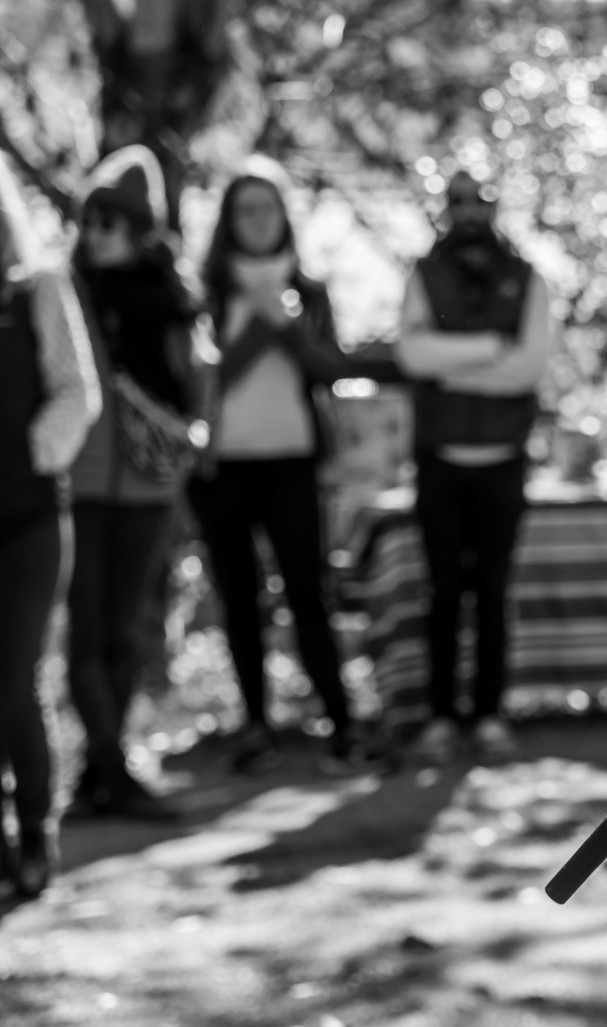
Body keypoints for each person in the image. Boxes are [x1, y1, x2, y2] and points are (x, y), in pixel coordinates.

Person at [188, 157, 390, 774]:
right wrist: (260, 328)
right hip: (224, 468)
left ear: (283, 215)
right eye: (244, 208)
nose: (256, 219)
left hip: (294, 462)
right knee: (239, 597)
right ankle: (256, 723)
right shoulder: (208, 291)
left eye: (267, 207)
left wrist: (292, 329)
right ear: (228, 219)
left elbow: (330, 369)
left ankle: (342, 721)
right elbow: (207, 377)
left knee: (308, 591)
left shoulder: (311, 289)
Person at [66, 144, 208, 820]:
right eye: (89, 222)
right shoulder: (61, 292)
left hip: (149, 485)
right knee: (85, 630)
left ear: (138, 228)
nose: (95, 236)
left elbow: (193, 388)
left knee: (128, 630)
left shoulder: (171, 298)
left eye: (110, 223)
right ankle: (106, 764)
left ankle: (105, 768)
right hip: (79, 485)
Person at [394, 172, 555, 763]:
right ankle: (441, 716)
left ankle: (489, 714)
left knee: (491, 593)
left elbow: (531, 366)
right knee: (442, 593)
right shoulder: (424, 272)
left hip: (503, 463)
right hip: (440, 461)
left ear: (495, 206)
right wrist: (491, 347)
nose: (467, 211)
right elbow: (412, 354)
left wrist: (450, 362)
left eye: (478, 200)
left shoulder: (526, 275)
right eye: (456, 201)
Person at [0, 156, 100, 895]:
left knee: (15, 679)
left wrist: (29, 455)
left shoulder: (37, 290)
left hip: (30, 519)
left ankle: (37, 829)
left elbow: (76, 392)